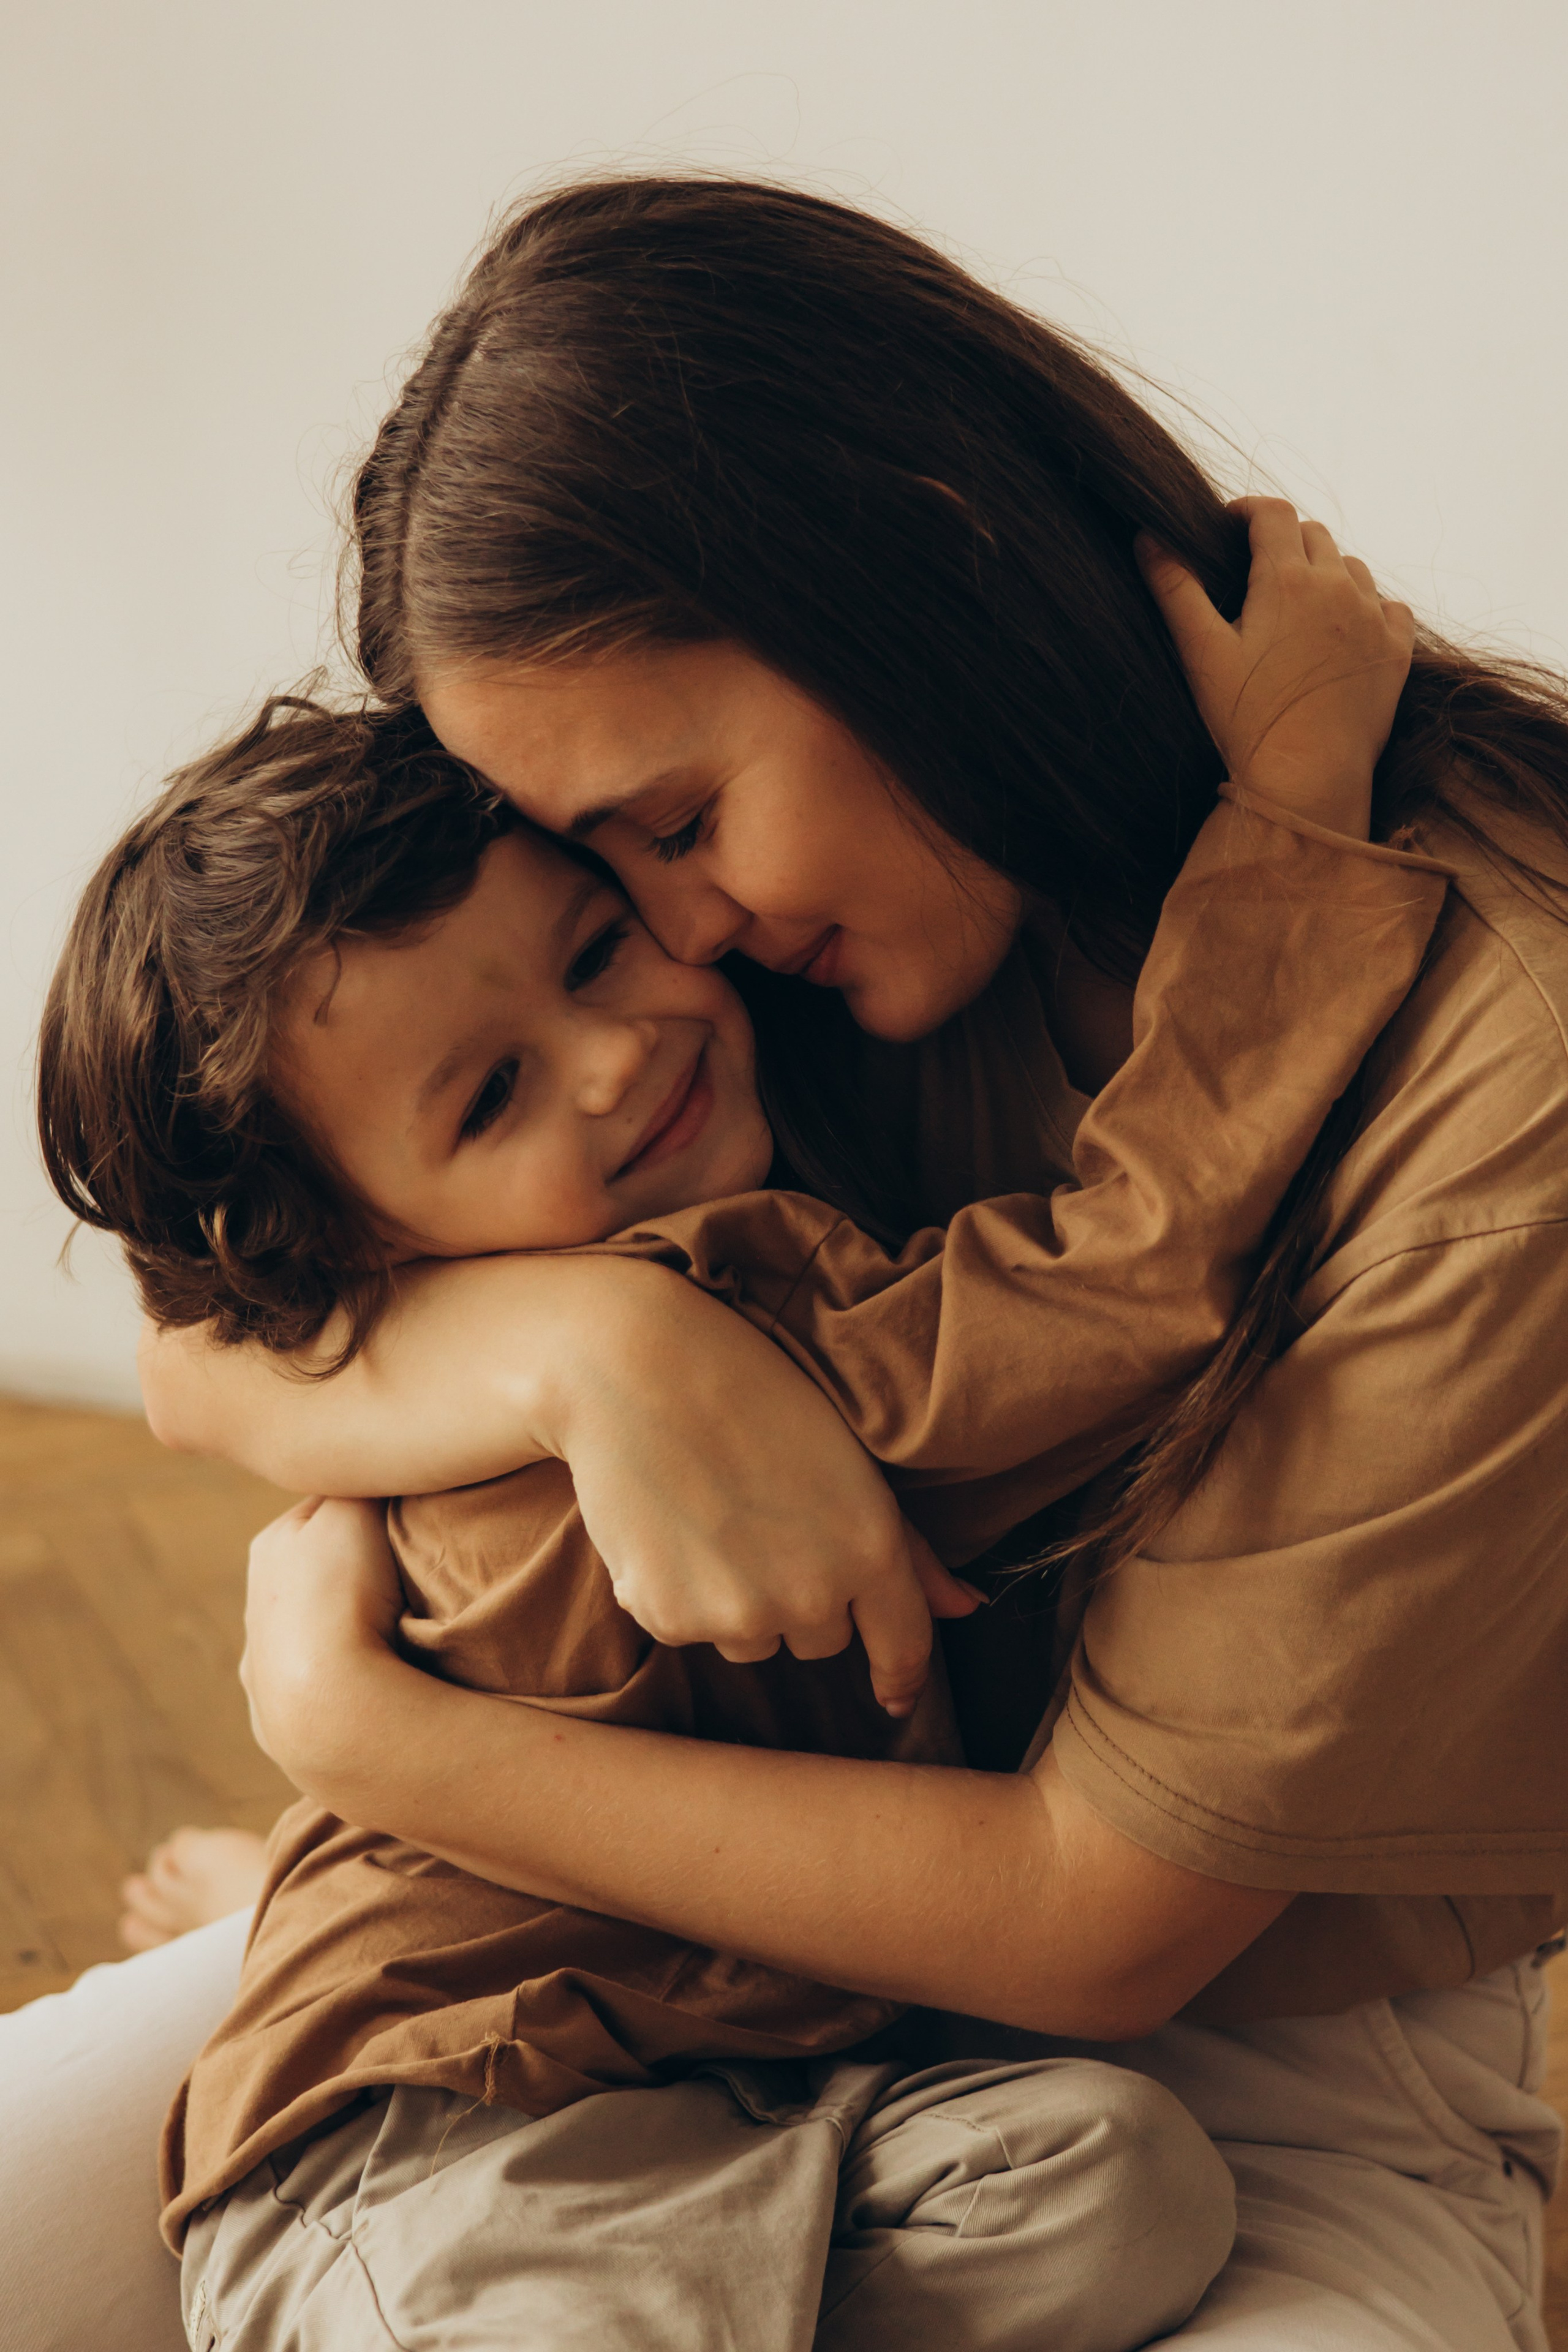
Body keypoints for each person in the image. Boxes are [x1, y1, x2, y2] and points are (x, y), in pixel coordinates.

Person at [7, 177, 1565, 2352]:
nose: (673, 951)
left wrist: (358, 1733)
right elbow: (200, 1343)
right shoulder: (754, 1010)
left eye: (663, 831)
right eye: (606, 870)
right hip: (567, 1984)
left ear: (911, 565)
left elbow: (1093, 1929)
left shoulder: (1510, 1093)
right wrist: (591, 1350)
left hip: (1200, 2050)